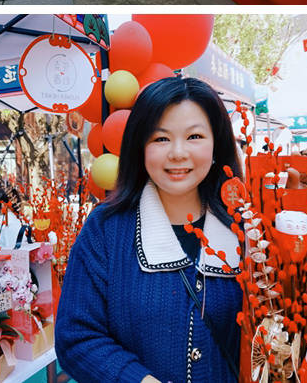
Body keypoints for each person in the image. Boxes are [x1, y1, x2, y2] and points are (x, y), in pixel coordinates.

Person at [55, 76, 243, 383]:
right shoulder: (105, 230)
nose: (178, 153)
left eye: (194, 136)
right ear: (139, 146)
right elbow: (75, 337)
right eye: (161, 139)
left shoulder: (246, 227)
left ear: (217, 144)